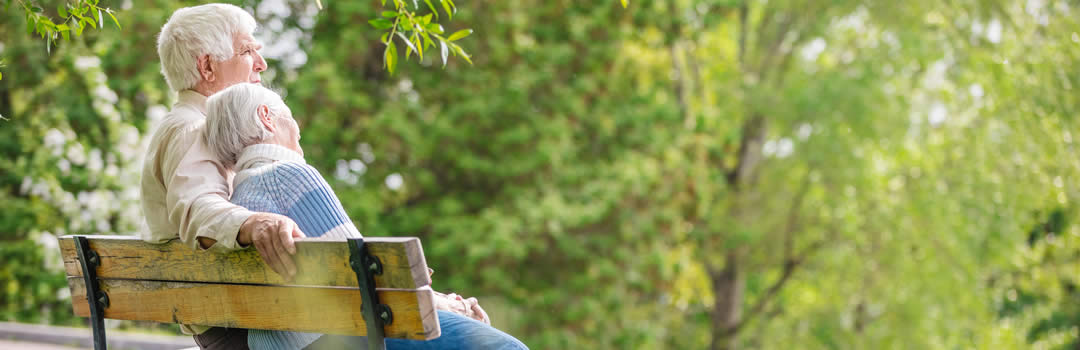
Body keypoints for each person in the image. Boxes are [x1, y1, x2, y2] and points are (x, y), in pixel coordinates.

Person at [204, 83, 528, 349]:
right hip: (340, 338)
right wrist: (453, 306)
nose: (297, 129)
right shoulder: (288, 176)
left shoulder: (236, 208)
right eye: (289, 117)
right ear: (267, 117)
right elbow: (367, 279)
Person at [141, 4, 308, 348]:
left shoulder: (198, 127)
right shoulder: (192, 127)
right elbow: (198, 208)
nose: (261, 64)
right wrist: (254, 224)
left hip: (247, 316)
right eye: (247, 51)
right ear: (207, 67)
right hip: (243, 329)